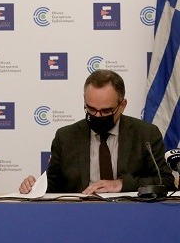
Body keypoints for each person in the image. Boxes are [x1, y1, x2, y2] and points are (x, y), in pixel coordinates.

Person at [19, 69, 174, 194]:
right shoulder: (65, 137)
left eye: (106, 111)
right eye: (91, 109)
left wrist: (121, 184)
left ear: (122, 105)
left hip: (129, 213)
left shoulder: (146, 135)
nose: (97, 116)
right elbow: (52, 185)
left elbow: (165, 181)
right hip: (81, 214)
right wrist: (34, 187)